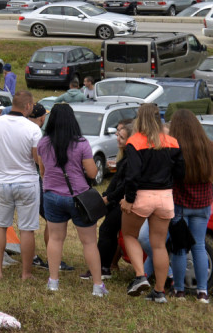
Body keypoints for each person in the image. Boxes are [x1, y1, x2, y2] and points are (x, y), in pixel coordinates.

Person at [36, 104, 106, 296]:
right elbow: (92, 172)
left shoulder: (43, 143)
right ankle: (97, 286)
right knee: (89, 242)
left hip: (51, 195)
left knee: (55, 238)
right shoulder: (81, 143)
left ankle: (53, 281)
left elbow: (43, 171)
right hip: (78, 197)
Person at [121, 103, 184, 303]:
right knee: (158, 245)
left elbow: (132, 175)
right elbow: (180, 172)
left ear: (139, 119)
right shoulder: (172, 142)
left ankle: (140, 276)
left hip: (142, 195)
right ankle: (159, 292)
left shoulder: (135, 141)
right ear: (160, 119)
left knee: (129, 235)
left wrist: (129, 199)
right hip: (165, 197)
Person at [0, 92, 42, 280]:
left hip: (1, 181)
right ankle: (26, 273)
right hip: (27, 182)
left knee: (0, 226)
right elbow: (37, 158)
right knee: (27, 229)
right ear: (28, 106)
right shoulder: (33, 128)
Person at [168, 109, 213, 303]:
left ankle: (179, 290)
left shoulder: (174, 148)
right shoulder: (209, 147)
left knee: (180, 248)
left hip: (179, 204)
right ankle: (202, 291)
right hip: (203, 204)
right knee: (199, 246)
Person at [83, 118, 134, 283]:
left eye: (121, 137)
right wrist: (106, 195)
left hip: (122, 201)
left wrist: (109, 198)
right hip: (115, 200)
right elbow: (116, 181)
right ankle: (106, 265)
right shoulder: (124, 157)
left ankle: (102, 267)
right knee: (109, 231)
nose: (117, 138)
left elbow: (125, 185)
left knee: (107, 230)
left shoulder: (131, 159)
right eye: (117, 135)